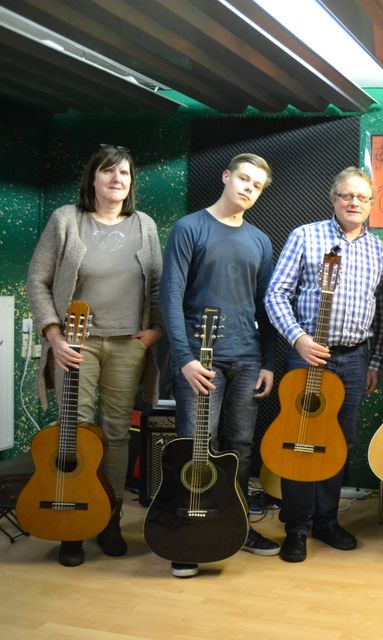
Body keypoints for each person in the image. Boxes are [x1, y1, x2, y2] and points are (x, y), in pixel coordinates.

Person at [26, 144, 163, 567]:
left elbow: (157, 284)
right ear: (93, 179)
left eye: (124, 173)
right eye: (108, 172)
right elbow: (37, 279)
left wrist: (154, 332)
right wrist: (53, 334)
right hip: (76, 343)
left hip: (127, 344)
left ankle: (110, 518)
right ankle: (74, 520)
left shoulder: (144, 224)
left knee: (118, 432)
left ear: (130, 182)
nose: (116, 179)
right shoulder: (67, 220)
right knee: (77, 429)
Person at [159, 153, 279, 578]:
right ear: (227, 177)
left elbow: (267, 307)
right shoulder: (190, 228)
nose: (247, 188)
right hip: (201, 359)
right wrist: (185, 359)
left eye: (256, 185)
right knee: (196, 444)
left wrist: (266, 360)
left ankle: (237, 525)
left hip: (247, 358)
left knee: (241, 446)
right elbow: (169, 297)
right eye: (243, 179)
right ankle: (188, 533)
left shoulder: (261, 241)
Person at [265, 167, 383, 563]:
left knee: (339, 443)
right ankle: (296, 528)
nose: (354, 203)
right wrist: (299, 339)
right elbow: (275, 295)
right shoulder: (305, 236)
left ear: (371, 205)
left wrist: (375, 361)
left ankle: (326, 520)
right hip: (307, 355)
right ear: (333, 199)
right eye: (346, 196)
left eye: (362, 198)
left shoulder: (380, 251)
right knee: (299, 440)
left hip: (353, 358)